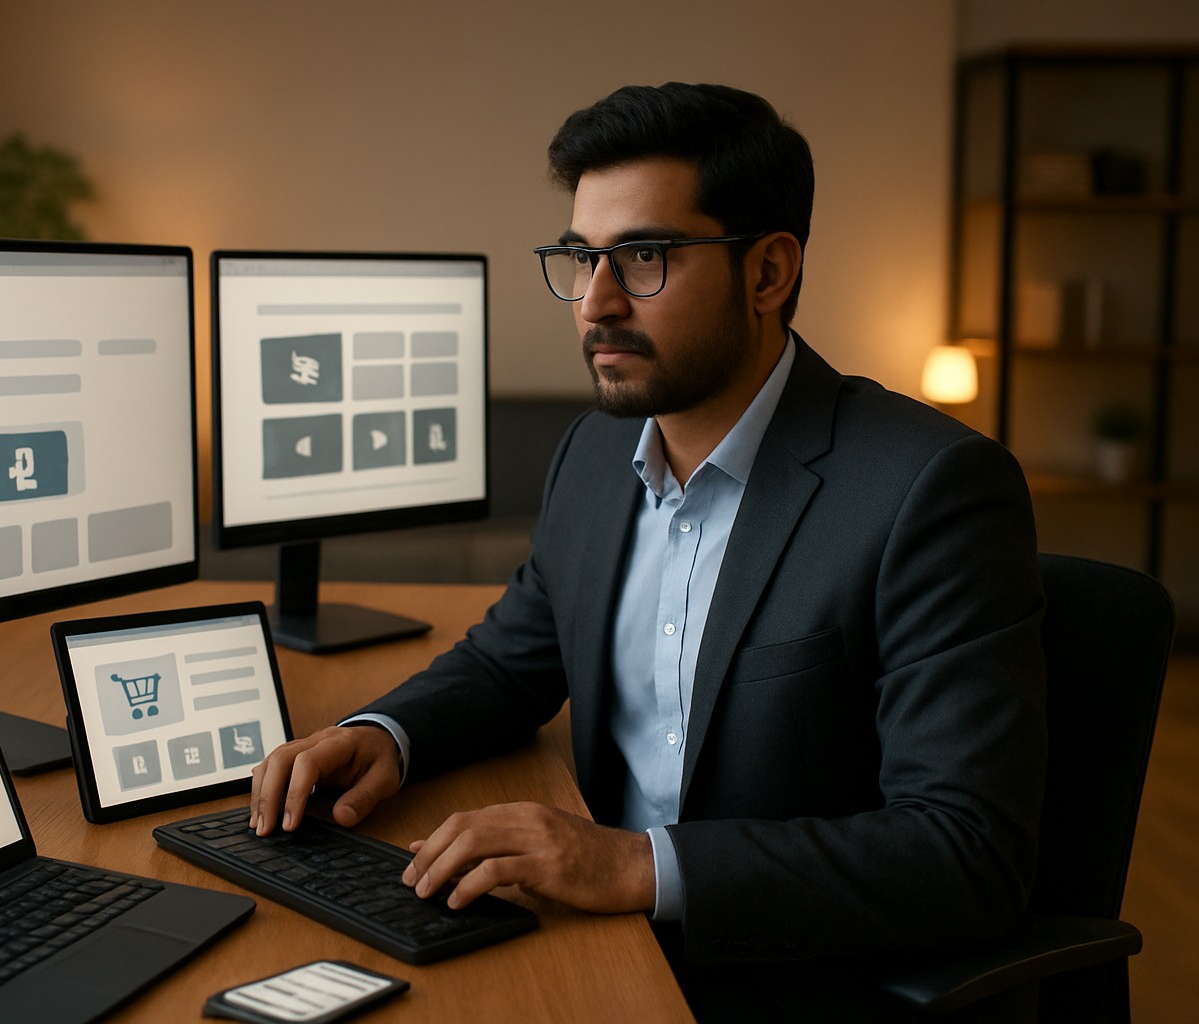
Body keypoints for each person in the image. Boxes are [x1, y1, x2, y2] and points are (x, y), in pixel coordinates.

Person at [249, 82, 1047, 1021]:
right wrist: (381, 734)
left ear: (769, 273)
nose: (596, 302)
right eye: (580, 259)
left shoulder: (932, 490)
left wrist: (632, 864)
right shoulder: (594, 453)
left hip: (776, 970)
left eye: (645, 257)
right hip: (587, 932)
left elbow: (965, 853)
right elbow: (513, 658)